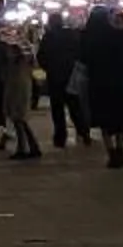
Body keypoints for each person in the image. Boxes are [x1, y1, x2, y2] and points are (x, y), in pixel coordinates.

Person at [78, 0, 123, 171]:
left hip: (97, 83)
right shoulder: (114, 34)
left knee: (104, 120)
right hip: (116, 82)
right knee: (118, 117)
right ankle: (120, 149)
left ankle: (110, 152)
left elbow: (82, 59)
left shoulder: (86, 37)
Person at [37, 10, 85, 148]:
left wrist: (49, 68)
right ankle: (83, 132)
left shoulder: (48, 37)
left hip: (55, 77)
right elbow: (79, 52)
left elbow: (41, 56)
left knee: (57, 109)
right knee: (74, 106)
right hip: (70, 76)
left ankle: (60, 137)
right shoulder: (70, 35)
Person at [0, 27, 44, 158]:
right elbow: (37, 70)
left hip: (17, 88)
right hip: (24, 86)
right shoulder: (27, 54)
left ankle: (23, 148)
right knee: (21, 119)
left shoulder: (15, 60)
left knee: (18, 118)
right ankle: (32, 146)